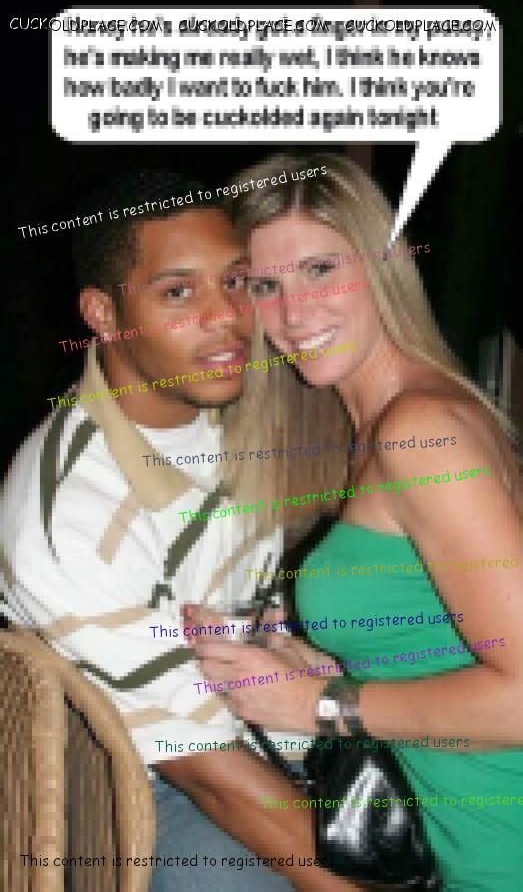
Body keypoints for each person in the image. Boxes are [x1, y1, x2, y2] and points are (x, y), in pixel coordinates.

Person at [1, 170, 358, 892]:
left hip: (266, 723)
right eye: (177, 292)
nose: (226, 317)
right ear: (104, 313)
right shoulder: (73, 514)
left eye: (235, 282)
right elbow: (210, 773)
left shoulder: (230, 419)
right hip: (150, 778)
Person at [193, 152, 523, 891]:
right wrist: (323, 660)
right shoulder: (375, 428)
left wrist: (320, 705)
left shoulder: (421, 431)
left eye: (320, 269)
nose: (295, 313)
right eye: (266, 285)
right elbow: (438, 636)